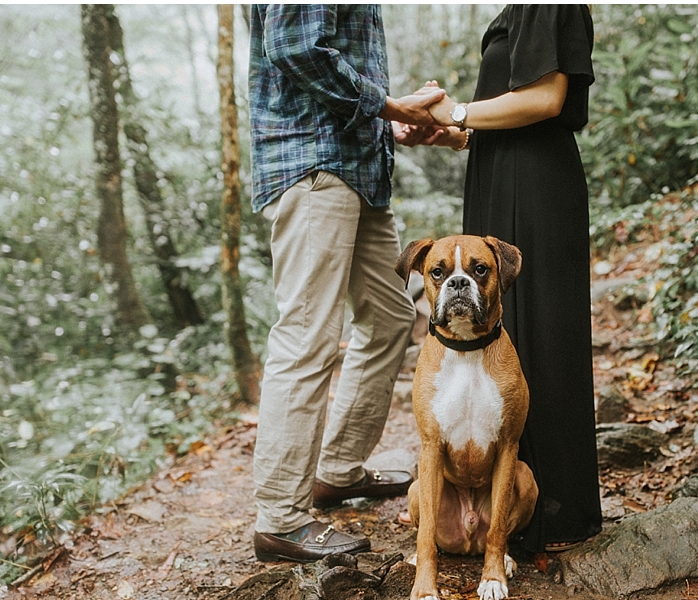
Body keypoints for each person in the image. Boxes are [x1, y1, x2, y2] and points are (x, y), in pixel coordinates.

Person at [247, 4, 447, 563]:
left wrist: (391, 119)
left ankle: (336, 471)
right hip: (313, 167)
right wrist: (386, 104)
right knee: (307, 334)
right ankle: (280, 521)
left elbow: (331, 63)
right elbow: (292, 46)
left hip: (357, 168)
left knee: (388, 319)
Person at [411, 5, 602, 553]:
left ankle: (549, 510)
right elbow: (512, 115)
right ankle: (498, 511)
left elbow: (547, 99)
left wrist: (459, 108)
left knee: (540, 330)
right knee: (495, 336)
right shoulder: (512, 10)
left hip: (538, 184)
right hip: (497, 174)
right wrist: (451, 132)